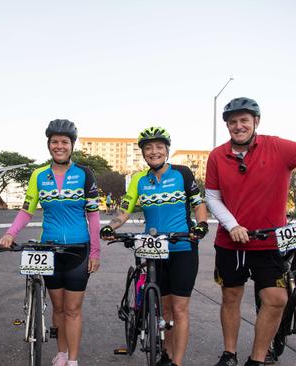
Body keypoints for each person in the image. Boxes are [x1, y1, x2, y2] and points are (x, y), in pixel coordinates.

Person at [205, 97, 296, 366]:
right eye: (233, 122)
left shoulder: (277, 146)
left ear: (255, 122)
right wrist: (233, 225)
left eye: (244, 120)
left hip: (270, 240)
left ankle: (257, 359)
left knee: (276, 299)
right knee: (231, 296)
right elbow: (212, 197)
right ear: (227, 126)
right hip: (231, 241)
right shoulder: (217, 156)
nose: (238, 126)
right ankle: (229, 354)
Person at [100, 126, 209, 366]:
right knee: (165, 308)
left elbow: (198, 203)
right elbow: (126, 208)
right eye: (148, 148)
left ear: (167, 150)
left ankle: (176, 362)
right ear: (143, 153)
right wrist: (111, 227)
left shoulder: (182, 173)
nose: (154, 151)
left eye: (159, 147)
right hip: (153, 248)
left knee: (179, 309)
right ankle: (167, 355)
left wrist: (201, 225)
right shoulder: (139, 179)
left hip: (181, 247)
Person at [0, 119, 100, 366]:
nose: (59, 146)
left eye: (64, 142)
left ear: (71, 145)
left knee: (73, 308)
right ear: (49, 145)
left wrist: (95, 251)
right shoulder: (38, 176)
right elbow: (26, 210)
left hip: (79, 248)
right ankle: (62, 353)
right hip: (49, 249)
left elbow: (93, 215)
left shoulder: (85, 174)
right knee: (58, 308)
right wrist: (11, 233)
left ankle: (73, 360)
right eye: (54, 142)